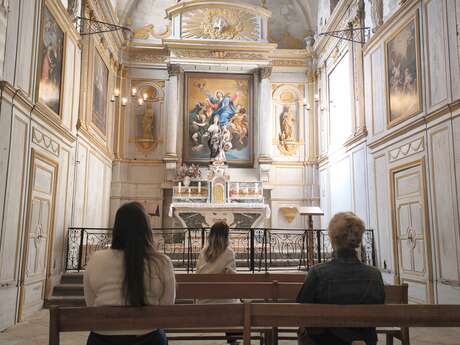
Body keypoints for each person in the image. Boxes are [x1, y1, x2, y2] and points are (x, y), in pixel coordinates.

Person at [84, 202, 176, 345]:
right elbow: (167, 305)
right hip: (148, 338)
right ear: (146, 229)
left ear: (117, 228)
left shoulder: (96, 259)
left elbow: (91, 303)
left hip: (102, 339)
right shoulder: (162, 262)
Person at [296, 212, 385, 345]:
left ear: (332, 239)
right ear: (358, 240)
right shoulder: (374, 274)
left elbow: (302, 308)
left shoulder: (317, 273)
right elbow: (379, 307)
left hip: (325, 341)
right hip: (364, 340)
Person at [196, 222, 239, 345]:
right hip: (225, 303)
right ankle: (233, 340)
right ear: (226, 236)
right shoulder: (229, 252)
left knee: (230, 300)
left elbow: (197, 274)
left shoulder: (203, 252)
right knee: (235, 302)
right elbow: (233, 279)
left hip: (204, 300)